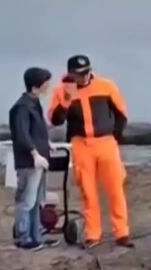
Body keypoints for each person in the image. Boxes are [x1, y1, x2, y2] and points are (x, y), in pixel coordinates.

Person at [48, 54, 133, 248]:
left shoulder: (106, 85)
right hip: (81, 144)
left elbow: (121, 114)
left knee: (115, 188)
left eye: (87, 71)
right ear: (70, 74)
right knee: (88, 190)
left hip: (106, 142)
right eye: (79, 74)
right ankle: (93, 234)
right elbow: (55, 120)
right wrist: (67, 100)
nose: (85, 76)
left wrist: (115, 137)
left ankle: (121, 232)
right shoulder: (61, 91)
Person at [8, 66, 53, 250]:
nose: (48, 86)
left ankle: (36, 235)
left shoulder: (35, 104)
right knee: (26, 201)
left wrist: (47, 143)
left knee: (36, 201)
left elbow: (37, 129)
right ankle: (23, 237)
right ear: (36, 85)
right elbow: (22, 133)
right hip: (29, 162)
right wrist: (34, 153)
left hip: (40, 160)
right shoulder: (22, 107)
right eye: (46, 83)